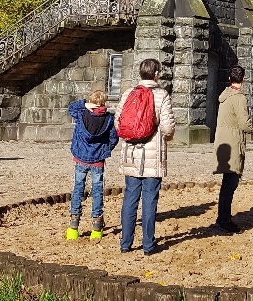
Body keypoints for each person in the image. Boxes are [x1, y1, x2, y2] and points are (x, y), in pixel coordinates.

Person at [115, 58, 175, 255]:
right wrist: (166, 136)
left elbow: (118, 123)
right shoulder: (161, 95)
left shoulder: (128, 94)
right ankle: (148, 245)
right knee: (150, 199)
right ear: (156, 73)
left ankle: (125, 243)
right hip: (153, 153)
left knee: (130, 197)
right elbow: (167, 128)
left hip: (131, 153)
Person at [213, 65, 253, 234]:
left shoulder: (225, 96)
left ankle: (222, 217)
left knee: (227, 183)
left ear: (230, 79)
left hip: (223, 144)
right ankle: (225, 220)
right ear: (243, 79)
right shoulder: (239, 98)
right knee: (231, 183)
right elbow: (244, 124)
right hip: (233, 143)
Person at [66, 90, 118, 240]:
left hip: (81, 157)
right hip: (98, 159)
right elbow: (114, 138)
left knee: (77, 189)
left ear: (91, 103)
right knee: (97, 192)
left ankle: (73, 226)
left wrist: (84, 103)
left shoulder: (81, 114)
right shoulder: (109, 119)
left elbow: (71, 107)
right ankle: (96, 226)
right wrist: (105, 150)